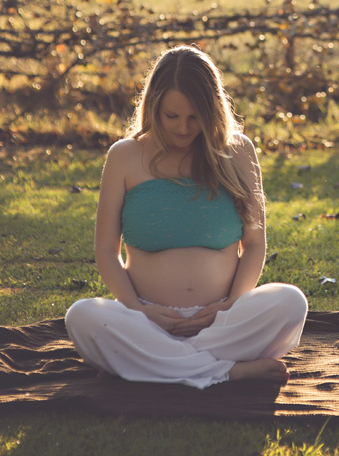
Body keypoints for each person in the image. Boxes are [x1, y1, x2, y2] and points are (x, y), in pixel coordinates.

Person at [65, 45, 308, 389]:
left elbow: (254, 243)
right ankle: (227, 370)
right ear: (153, 108)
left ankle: (148, 362)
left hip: (222, 320)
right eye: (172, 116)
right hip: (146, 319)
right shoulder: (124, 156)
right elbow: (106, 250)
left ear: (212, 111)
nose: (183, 127)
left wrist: (231, 305)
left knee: (290, 302)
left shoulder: (238, 152)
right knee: (82, 316)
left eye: (194, 117)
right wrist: (136, 310)